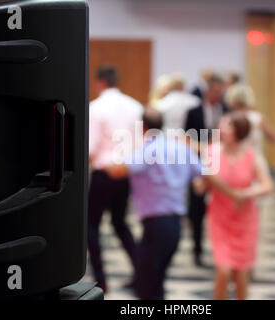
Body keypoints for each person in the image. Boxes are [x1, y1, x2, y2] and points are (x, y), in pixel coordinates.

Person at [106, 108, 238, 299]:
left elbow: (119, 171)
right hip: (175, 226)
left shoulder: (148, 150)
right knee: (155, 280)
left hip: (155, 226)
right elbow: (205, 173)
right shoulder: (179, 148)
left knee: (146, 286)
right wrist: (233, 193)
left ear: (143, 128)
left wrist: (101, 161)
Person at [202, 112, 274, 299]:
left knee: (241, 273)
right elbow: (201, 186)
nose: (221, 129)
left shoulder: (251, 156)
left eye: (227, 126)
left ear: (238, 131)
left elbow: (267, 185)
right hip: (220, 219)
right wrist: (201, 179)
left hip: (245, 220)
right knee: (223, 270)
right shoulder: (211, 152)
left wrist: (244, 194)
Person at [88, 64, 143, 292]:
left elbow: (90, 147)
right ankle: (142, 273)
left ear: (100, 82)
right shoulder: (135, 106)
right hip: (126, 172)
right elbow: (141, 143)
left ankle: (101, 281)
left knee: (91, 226)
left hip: (104, 172)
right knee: (121, 224)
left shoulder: (96, 107)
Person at [185, 74, 229, 267]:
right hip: (199, 164)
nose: (218, 95)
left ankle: (222, 249)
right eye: (215, 91)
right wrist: (205, 147)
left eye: (221, 91)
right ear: (207, 91)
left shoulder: (227, 111)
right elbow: (187, 138)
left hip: (222, 166)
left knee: (222, 209)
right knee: (196, 210)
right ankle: (197, 250)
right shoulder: (193, 112)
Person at [224, 84, 275, 151]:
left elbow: (215, 139)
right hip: (254, 157)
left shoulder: (228, 118)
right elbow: (273, 138)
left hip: (235, 158)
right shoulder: (258, 118)